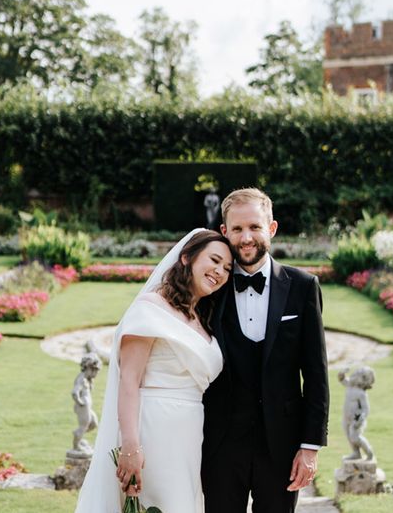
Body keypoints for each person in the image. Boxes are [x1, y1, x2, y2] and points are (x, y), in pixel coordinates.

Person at [75, 229, 232, 512]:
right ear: (186, 258)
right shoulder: (150, 308)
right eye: (214, 260)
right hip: (153, 426)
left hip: (190, 432)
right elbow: (129, 381)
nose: (220, 271)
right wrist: (131, 447)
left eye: (227, 268)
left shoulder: (202, 318)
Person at [201, 188, 330, 513]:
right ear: (224, 232)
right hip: (219, 444)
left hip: (282, 447)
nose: (246, 238)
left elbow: (316, 374)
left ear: (271, 228)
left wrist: (310, 446)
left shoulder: (302, 287)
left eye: (255, 227)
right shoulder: (209, 289)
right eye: (238, 229)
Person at [338, 366, 375, 460]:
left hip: (356, 420)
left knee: (355, 437)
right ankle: (356, 453)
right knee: (349, 437)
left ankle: (369, 452)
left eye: (357, 375)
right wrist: (342, 373)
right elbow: (342, 379)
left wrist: (360, 419)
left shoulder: (361, 394)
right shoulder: (350, 386)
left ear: (363, 380)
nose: (354, 376)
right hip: (346, 418)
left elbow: (366, 409)